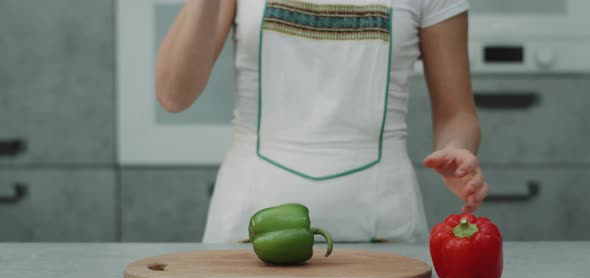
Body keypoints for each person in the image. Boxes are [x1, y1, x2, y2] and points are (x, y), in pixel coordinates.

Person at [155, 0, 489, 243]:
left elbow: (456, 113)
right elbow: (173, 95)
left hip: (384, 232)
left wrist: (456, 149)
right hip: (245, 232)